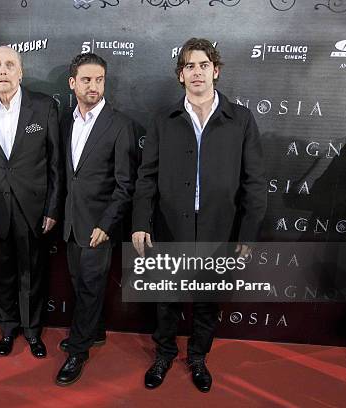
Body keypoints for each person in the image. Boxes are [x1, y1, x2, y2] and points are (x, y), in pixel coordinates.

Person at [131, 38, 267, 392]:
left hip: (220, 231)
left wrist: (247, 234)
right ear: (180, 75)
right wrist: (140, 224)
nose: (197, 72)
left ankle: (197, 358)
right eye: (189, 66)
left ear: (215, 71)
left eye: (203, 65)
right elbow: (146, 177)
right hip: (169, 228)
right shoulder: (163, 120)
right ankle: (163, 354)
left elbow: (255, 182)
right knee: (165, 302)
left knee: (207, 303)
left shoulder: (241, 120)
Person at [55, 53, 137, 386]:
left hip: (99, 227)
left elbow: (125, 183)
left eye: (99, 79)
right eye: (87, 80)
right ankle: (95, 332)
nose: (94, 86)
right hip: (72, 223)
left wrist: (107, 224)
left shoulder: (120, 125)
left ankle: (78, 350)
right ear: (72, 83)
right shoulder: (66, 121)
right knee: (80, 283)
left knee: (89, 287)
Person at [0, 46, 60, 358]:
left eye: (10, 65)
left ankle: (33, 331)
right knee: (2, 273)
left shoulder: (44, 106)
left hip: (33, 208)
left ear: (20, 72)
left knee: (33, 273)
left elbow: (55, 163)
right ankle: (8, 328)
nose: (3, 71)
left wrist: (52, 207)